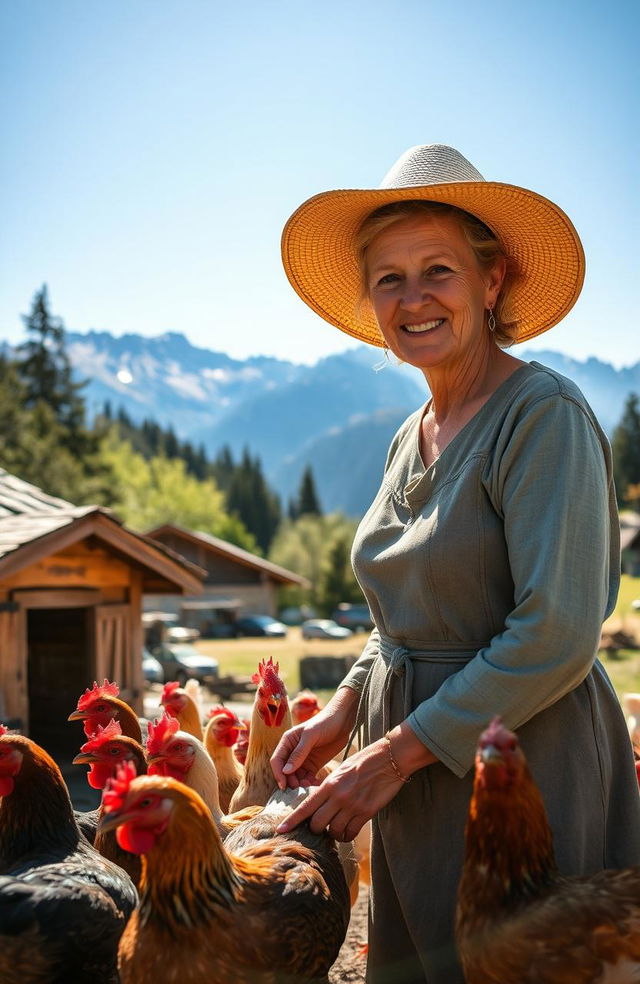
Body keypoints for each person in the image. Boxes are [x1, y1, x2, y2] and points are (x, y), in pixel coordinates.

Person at [271, 144, 640, 983]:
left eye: (438, 269)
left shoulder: (541, 416)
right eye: (389, 279)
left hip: (520, 767)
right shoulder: (414, 433)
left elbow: (555, 634)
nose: (413, 298)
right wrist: (347, 709)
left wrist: (392, 753)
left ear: (494, 280)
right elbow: (400, 617)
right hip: (409, 772)